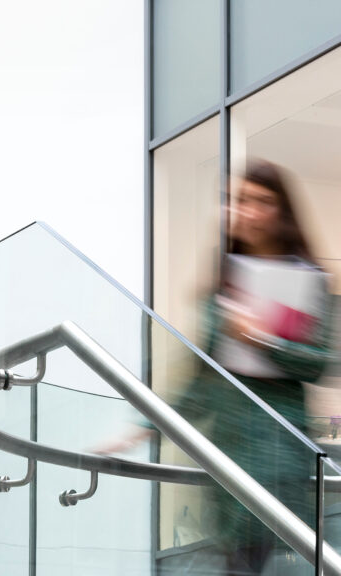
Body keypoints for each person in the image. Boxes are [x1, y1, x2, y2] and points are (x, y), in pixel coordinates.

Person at [99, 160, 336, 574]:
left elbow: (316, 364)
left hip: (281, 452)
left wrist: (259, 337)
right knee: (237, 561)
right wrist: (145, 427)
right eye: (238, 201)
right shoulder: (223, 287)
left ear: (282, 211)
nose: (247, 212)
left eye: (262, 202)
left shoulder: (311, 281)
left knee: (271, 559)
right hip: (228, 451)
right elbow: (200, 378)